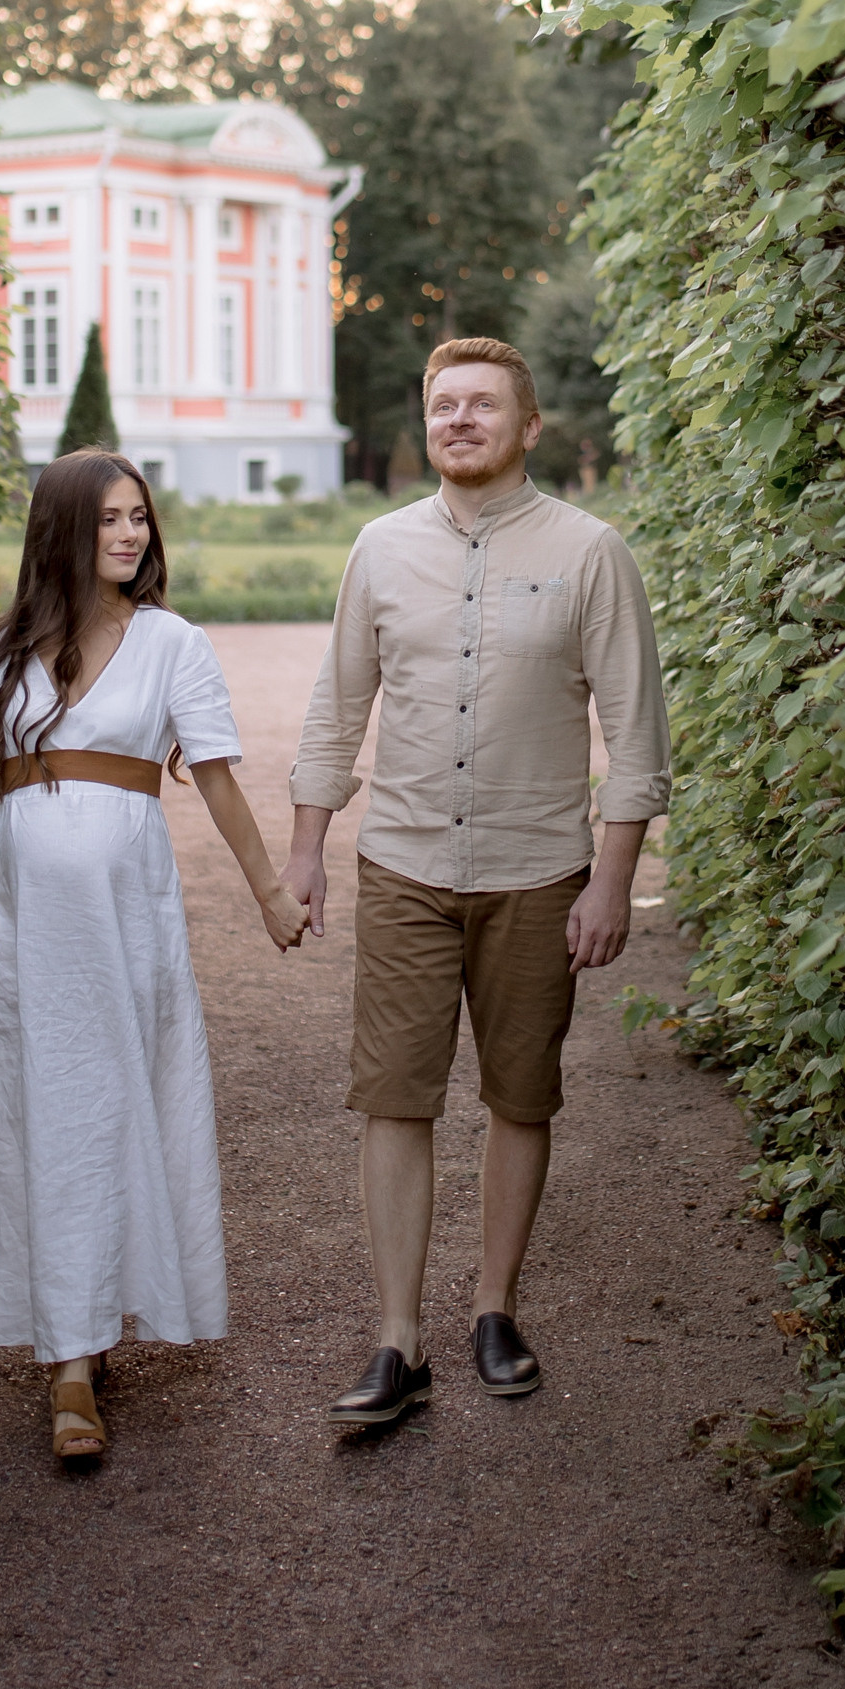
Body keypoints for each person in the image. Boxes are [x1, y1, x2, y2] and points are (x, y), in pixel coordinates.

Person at [285, 337, 670, 1427]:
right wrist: (308, 849)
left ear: (527, 426)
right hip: (401, 861)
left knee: (519, 1095)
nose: (459, 419)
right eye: (443, 404)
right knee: (392, 1097)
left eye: (482, 405)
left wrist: (609, 881)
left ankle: (494, 1309)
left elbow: (634, 737)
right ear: (428, 421)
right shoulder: (378, 548)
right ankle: (396, 1337)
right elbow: (334, 708)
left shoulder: (592, 552)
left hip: (536, 870)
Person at [0, 448, 307, 1464]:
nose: (131, 535)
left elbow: (219, 780)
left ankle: (103, 1319)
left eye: (139, 517)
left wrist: (269, 891)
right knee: (41, 1117)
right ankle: (66, 1364)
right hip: (21, 926)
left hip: (126, 922)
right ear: (62, 529)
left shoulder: (172, 644)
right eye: (108, 520)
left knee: (116, 1110)